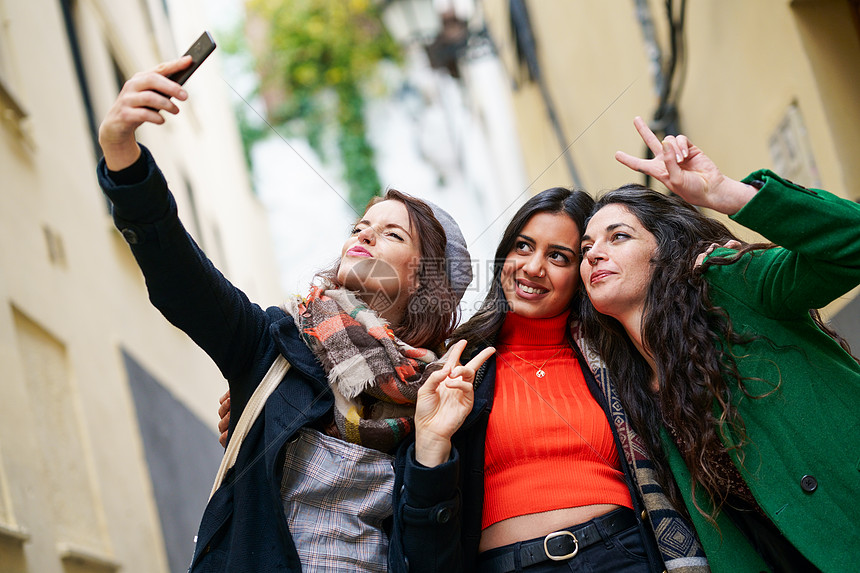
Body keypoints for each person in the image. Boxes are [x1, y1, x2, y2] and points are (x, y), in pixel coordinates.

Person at [96, 56, 474, 572]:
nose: (363, 234)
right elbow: (181, 278)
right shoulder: (274, 344)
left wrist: (433, 444)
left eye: (392, 234)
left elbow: (433, 559)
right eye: (362, 224)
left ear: (422, 280)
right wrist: (123, 155)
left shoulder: (441, 398)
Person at [578, 117, 860, 572]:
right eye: (587, 247)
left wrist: (725, 194)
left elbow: (853, 242)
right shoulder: (627, 390)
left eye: (618, 236)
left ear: (665, 248)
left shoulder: (728, 285)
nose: (593, 253)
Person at [388, 186, 711, 573]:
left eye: (558, 256)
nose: (533, 267)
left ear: (582, 274)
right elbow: (421, 541)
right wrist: (432, 442)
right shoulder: (457, 368)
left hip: (624, 554)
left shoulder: (616, 360)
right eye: (523, 247)